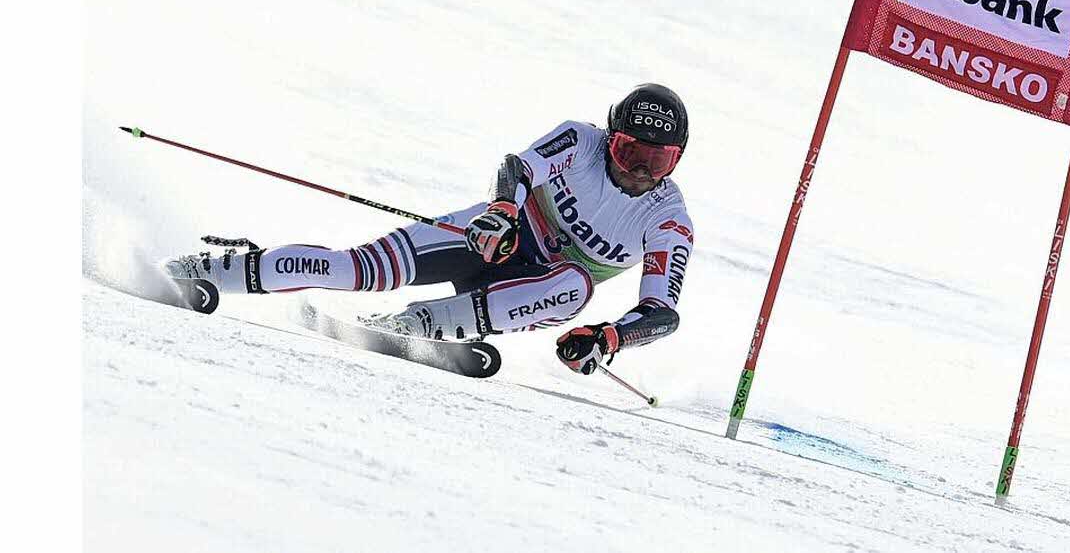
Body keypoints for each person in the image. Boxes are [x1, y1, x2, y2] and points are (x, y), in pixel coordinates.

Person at [166, 83, 695, 375]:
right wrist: (504, 212)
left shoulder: (667, 219)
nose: (639, 172)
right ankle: (217, 272)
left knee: (574, 286)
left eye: (659, 161)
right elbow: (519, 167)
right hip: (492, 240)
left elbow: (661, 313)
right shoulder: (581, 141)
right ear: (611, 138)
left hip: (534, 288)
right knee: (357, 268)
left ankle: (420, 325)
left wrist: (610, 338)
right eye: (630, 152)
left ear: (677, 161)